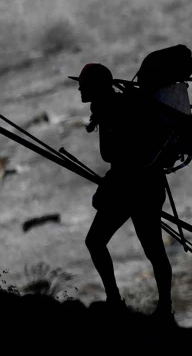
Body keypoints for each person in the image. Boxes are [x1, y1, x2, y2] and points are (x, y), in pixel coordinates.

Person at [75, 61, 178, 315]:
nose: (79, 90)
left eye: (83, 85)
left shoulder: (114, 110)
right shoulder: (111, 106)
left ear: (96, 87)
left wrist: (108, 189)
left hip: (135, 187)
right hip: (142, 186)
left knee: (100, 242)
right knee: (152, 249)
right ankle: (162, 306)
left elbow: (121, 157)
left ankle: (122, 302)